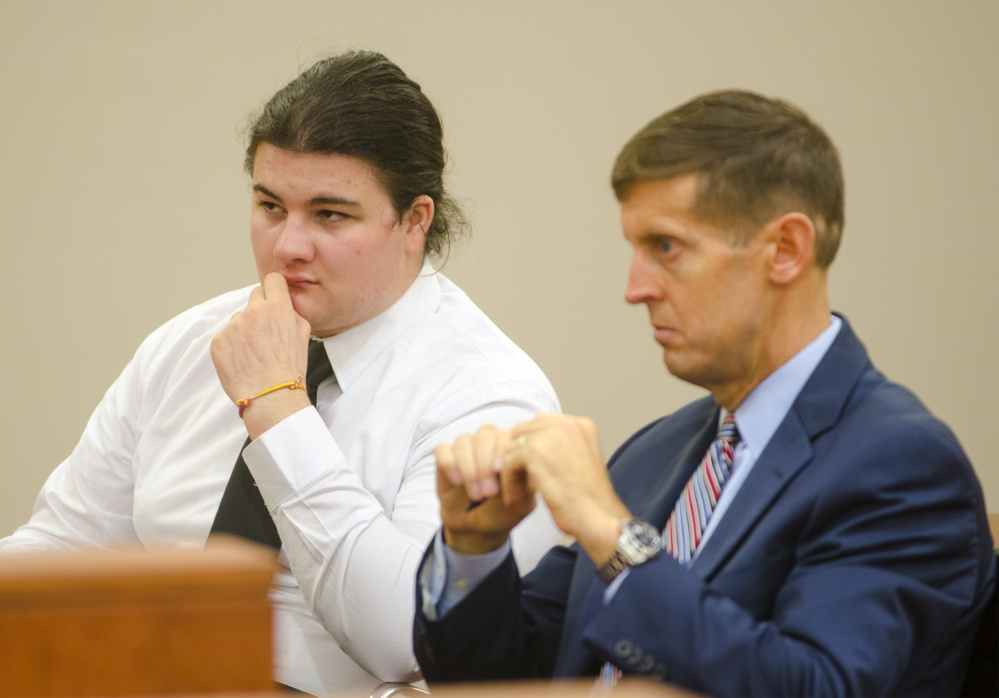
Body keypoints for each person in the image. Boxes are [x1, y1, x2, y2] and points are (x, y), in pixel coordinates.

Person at [0, 50, 562, 696]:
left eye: (329, 215)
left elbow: (408, 644)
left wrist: (276, 409)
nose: (288, 246)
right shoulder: (188, 344)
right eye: (270, 206)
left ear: (414, 220)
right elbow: (65, 545)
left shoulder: (489, 393)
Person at [412, 90, 996, 697]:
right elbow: (507, 679)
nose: (635, 289)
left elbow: (815, 687)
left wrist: (613, 534)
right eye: (635, 250)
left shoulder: (901, 465)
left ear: (786, 250)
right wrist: (472, 546)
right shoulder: (655, 452)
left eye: (666, 248)